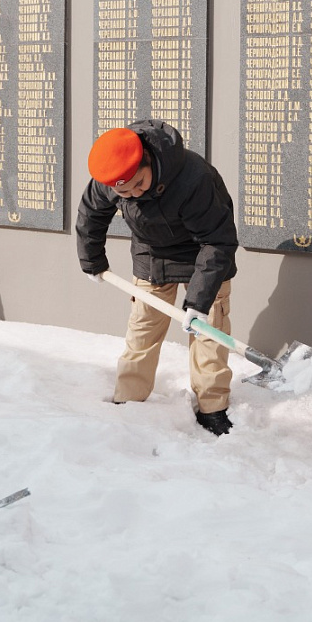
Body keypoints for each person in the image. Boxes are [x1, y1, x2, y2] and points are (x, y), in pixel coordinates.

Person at [76, 121, 238, 435]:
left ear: (148, 161)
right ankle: (129, 399)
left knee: (209, 334)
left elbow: (218, 240)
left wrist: (199, 301)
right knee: (142, 330)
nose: (136, 193)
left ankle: (212, 408)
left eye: (139, 183)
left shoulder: (194, 178)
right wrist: (92, 259)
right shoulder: (111, 177)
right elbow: (91, 212)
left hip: (203, 254)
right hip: (152, 254)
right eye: (126, 192)